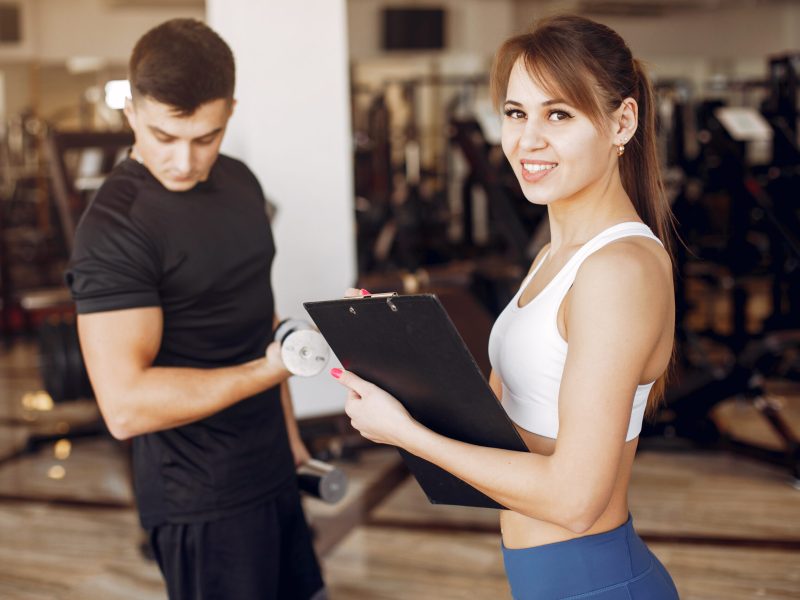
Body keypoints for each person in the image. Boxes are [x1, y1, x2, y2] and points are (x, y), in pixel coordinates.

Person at [333, 14, 679, 600]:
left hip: (595, 582)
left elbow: (575, 501)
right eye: (516, 113)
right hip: (546, 580)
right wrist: (400, 353)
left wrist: (406, 435)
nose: (528, 139)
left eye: (559, 114)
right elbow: (505, 437)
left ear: (623, 121)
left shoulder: (617, 271)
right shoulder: (555, 256)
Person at [65, 19, 326, 600]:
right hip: (200, 496)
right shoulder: (114, 229)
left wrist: (289, 437)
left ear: (230, 111)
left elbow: (256, 318)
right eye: (164, 136)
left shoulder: (240, 183)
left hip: (272, 467)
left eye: (206, 137)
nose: (184, 161)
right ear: (131, 112)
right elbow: (126, 407)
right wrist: (273, 369)